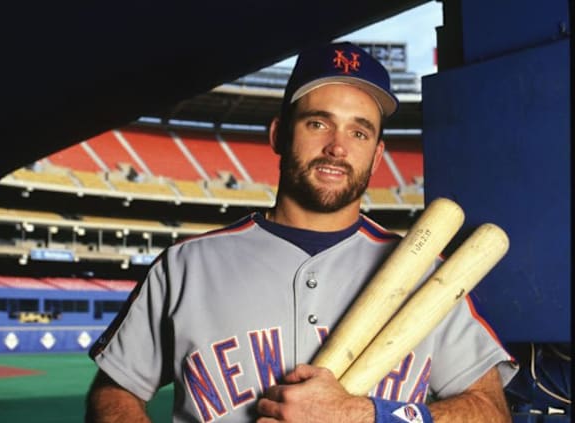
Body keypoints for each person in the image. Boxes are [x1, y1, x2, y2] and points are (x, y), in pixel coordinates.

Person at [85, 41, 518, 423]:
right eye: (317, 123)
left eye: (359, 131)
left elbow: (490, 413)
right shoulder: (185, 266)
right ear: (279, 134)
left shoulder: (429, 275)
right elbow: (114, 391)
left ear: (378, 153)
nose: (337, 146)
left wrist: (364, 416)